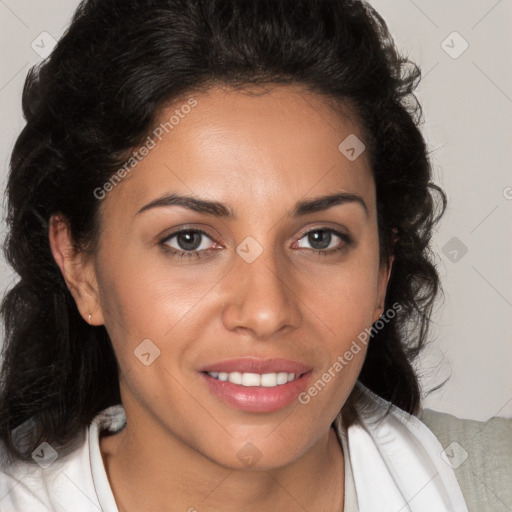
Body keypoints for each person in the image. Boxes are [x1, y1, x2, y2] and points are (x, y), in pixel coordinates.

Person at [0, 0, 469, 510]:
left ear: (383, 269)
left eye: (319, 238)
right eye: (189, 240)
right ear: (80, 268)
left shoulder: (489, 478)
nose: (266, 312)